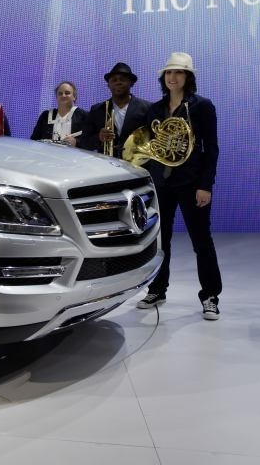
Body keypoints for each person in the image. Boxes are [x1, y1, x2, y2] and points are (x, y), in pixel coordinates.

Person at [134, 53, 222, 320]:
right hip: (161, 183)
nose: (172, 77)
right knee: (161, 241)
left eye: (179, 72)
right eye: (169, 73)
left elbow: (211, 149)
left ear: (188, 77)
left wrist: (206, 185)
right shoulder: (155, 109)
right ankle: (157, 289)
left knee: (201, 241)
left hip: (192, 183)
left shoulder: (202, 106)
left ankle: (210, 296)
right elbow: (151, 147)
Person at [79, 62, 151, 157]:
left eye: (122, 79)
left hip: (136, 163)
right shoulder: (97, 110)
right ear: (108, 85)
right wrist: (99, 137)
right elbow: (84, 143)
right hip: (107, 163)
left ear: (131, 83)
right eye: (114, 80)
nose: (118, 82)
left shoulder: (147, 108)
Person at [30, 81, 88, 146]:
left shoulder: (84, 116)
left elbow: (91, 142)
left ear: (74, 96)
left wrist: (76, 142)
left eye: (67, 93)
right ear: (56, 97)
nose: (63, 95)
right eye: (60, 93)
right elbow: (34, 139)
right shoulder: (45, 115)